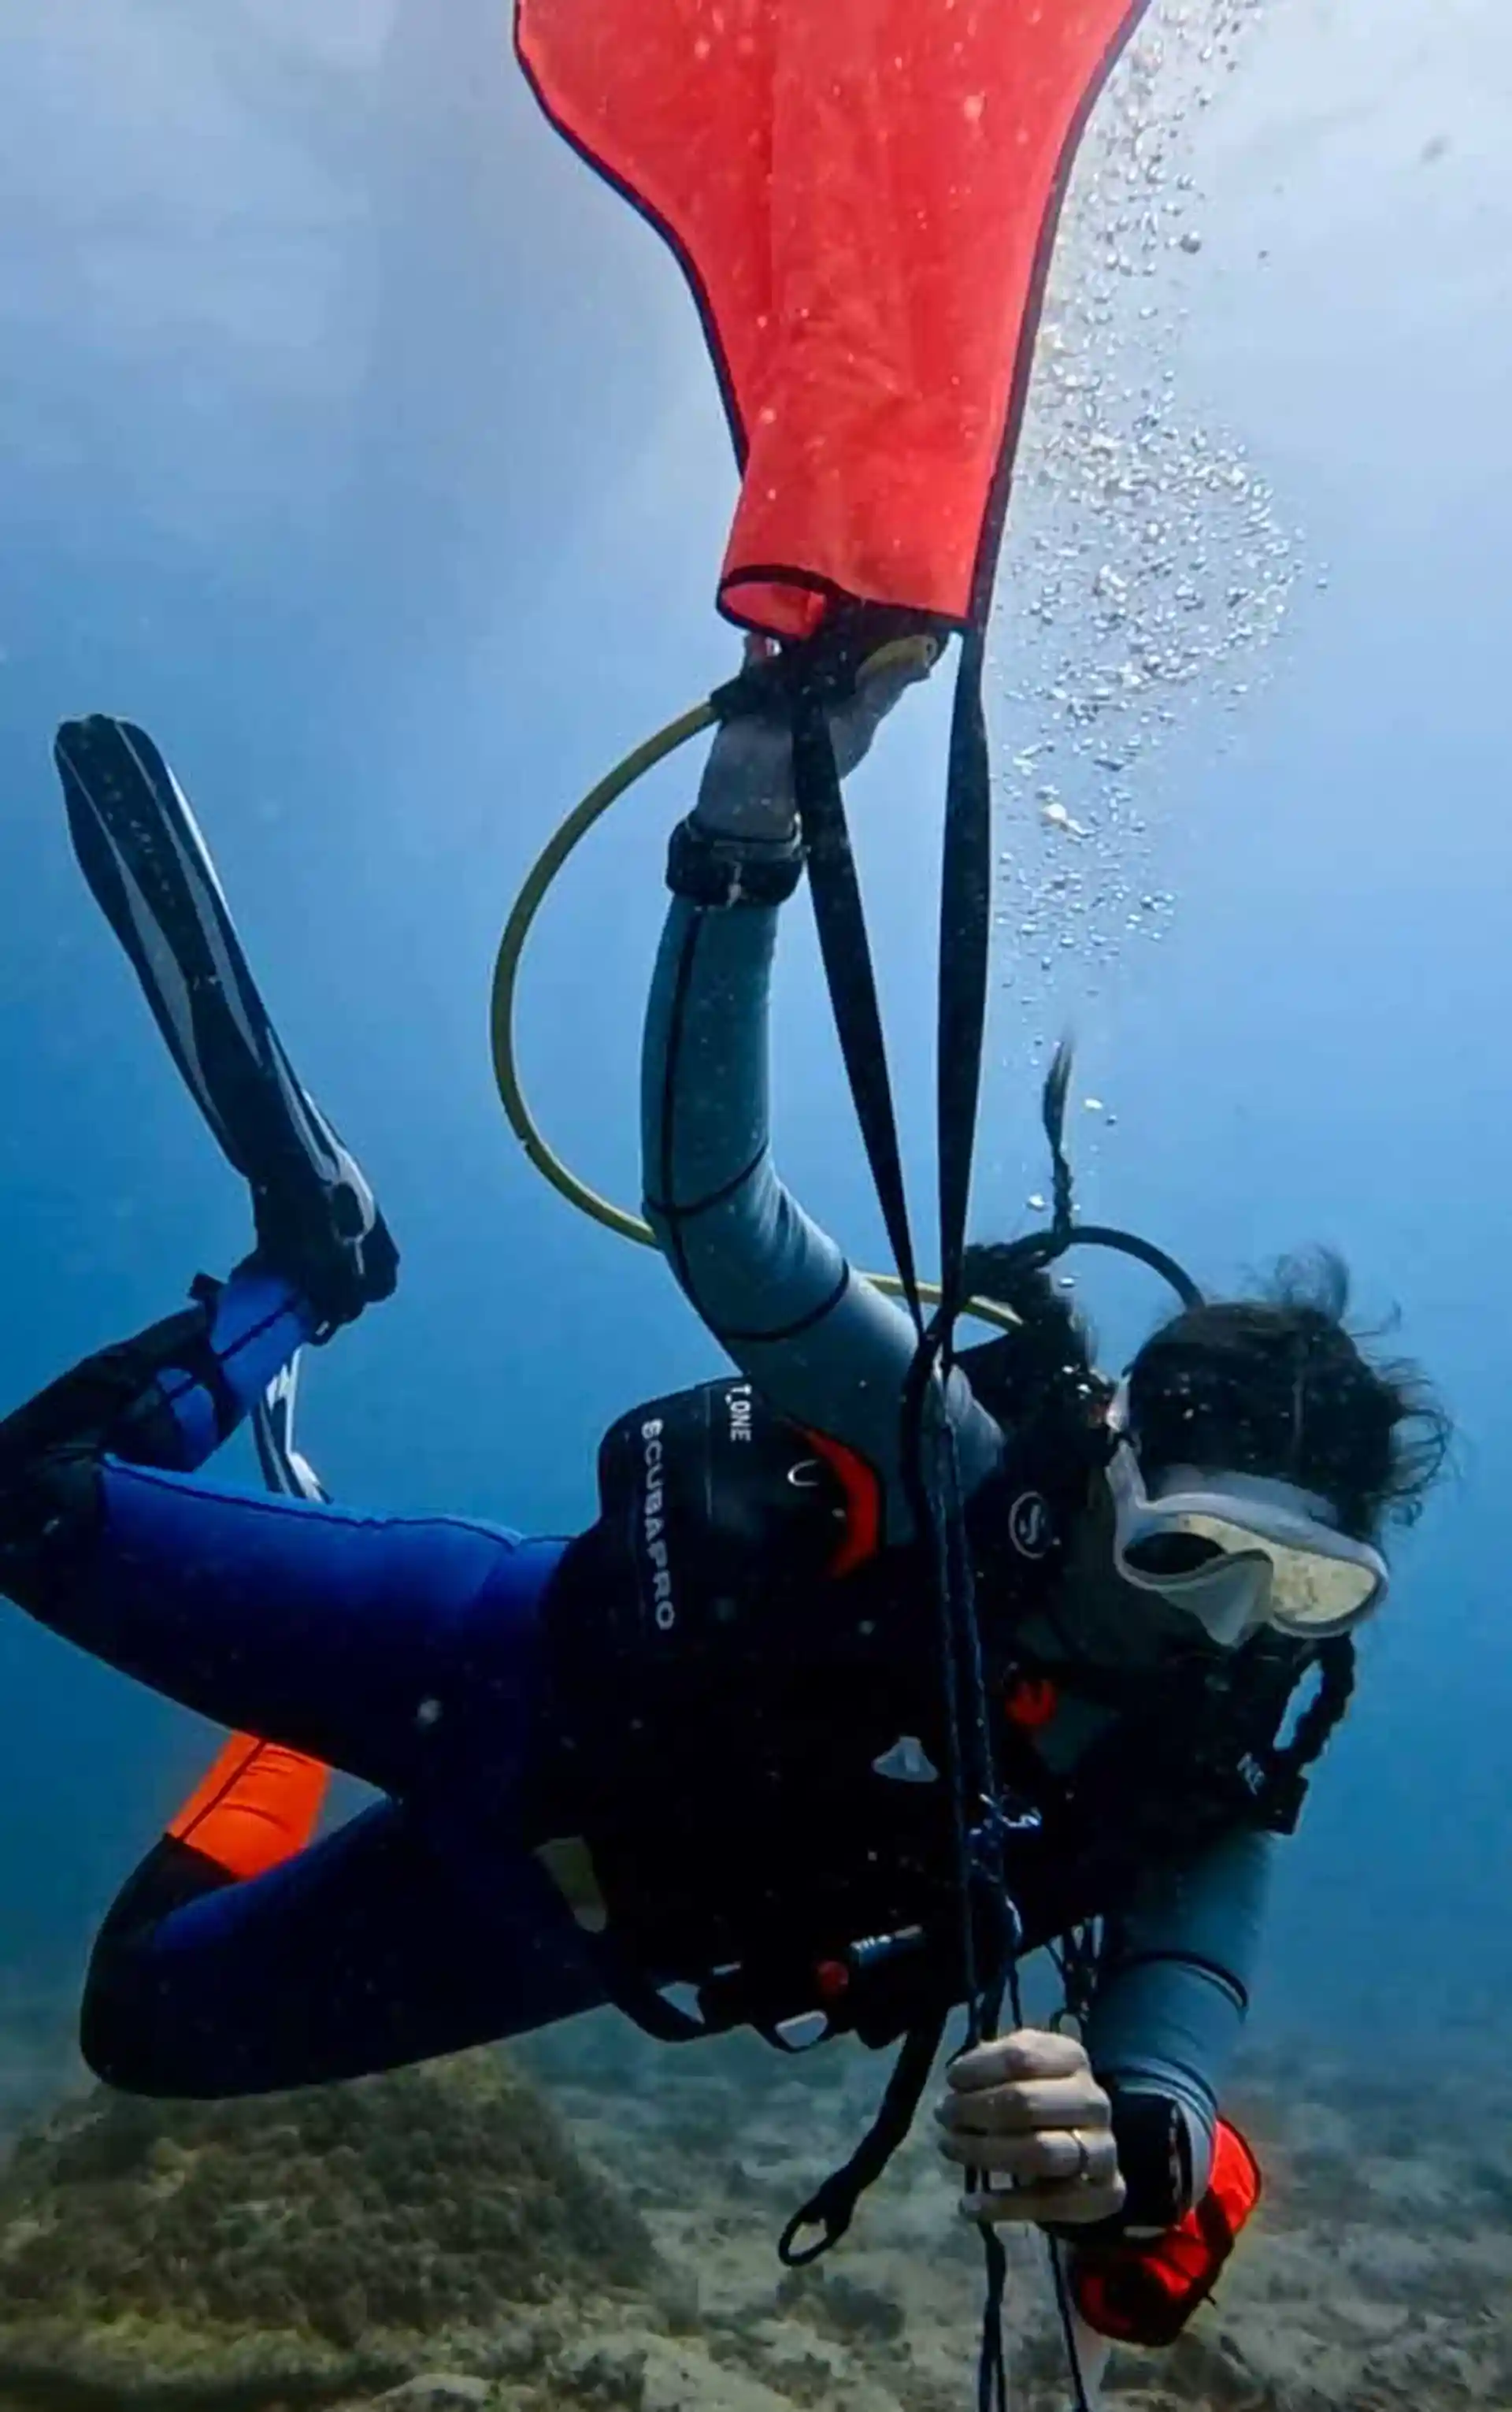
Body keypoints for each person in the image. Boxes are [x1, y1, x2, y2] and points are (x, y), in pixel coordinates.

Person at [0, 684, 1446, 2308]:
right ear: (1114, 1465)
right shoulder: (959, 1457)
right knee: (29, 1502)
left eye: (1304, 1587)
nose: (1235, 1621)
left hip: (555, 1929)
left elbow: (1175, 2029)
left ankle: (270, 1756)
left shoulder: (1204, 1763)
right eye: (1202, 1552)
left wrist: (1121, 2152)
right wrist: (751, 820)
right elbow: (721, 1214)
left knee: (139, 2024)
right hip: (478, 1654)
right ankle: (312, 1263)